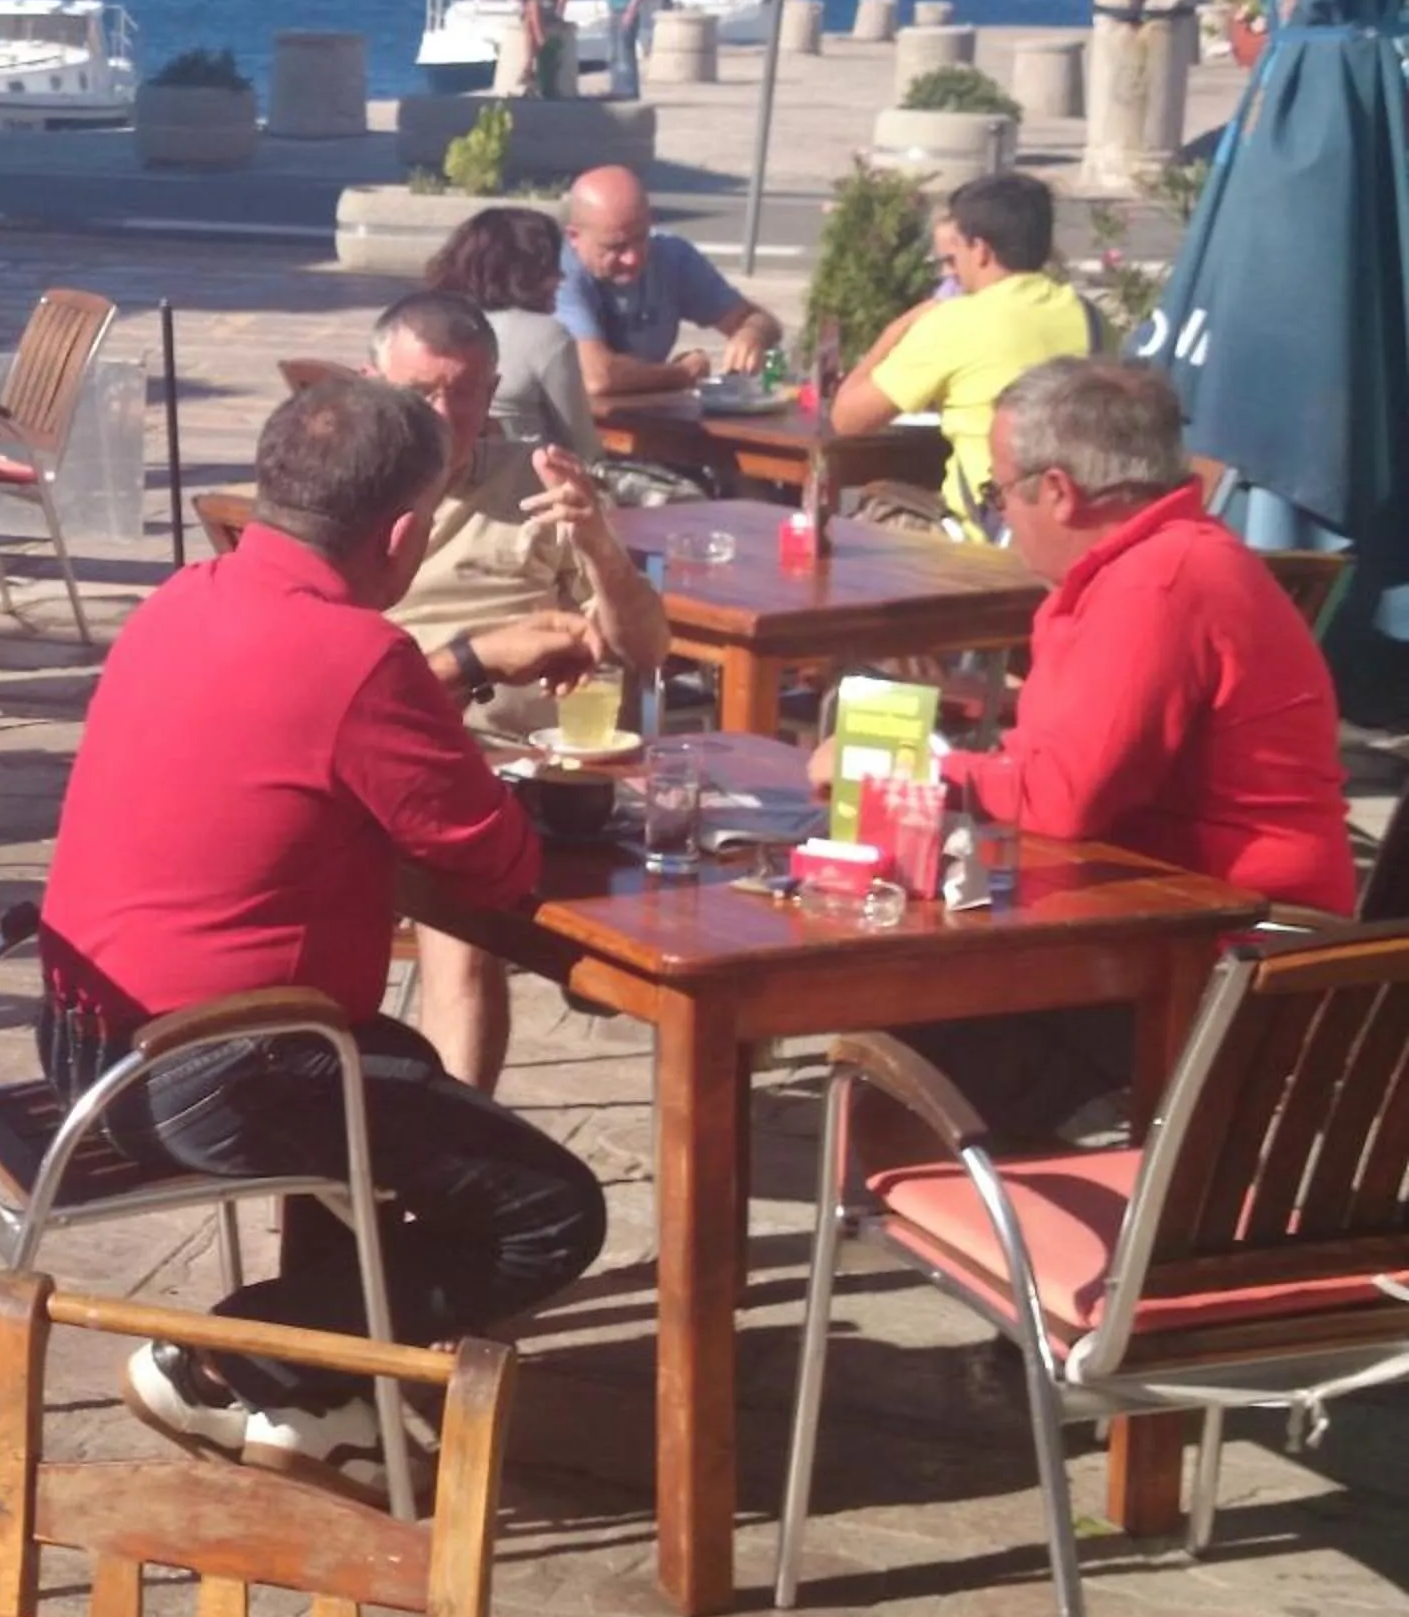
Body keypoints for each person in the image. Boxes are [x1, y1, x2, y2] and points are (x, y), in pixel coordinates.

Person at [39, 377, 606, 1496]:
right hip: (216, 1071)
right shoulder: (360, 657)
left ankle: (320, 1400)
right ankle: (226, 1357)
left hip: (85, 1037)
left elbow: (308, 725)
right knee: (551, 1214)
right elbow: (497, 863)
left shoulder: (181, 599)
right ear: (402, 536)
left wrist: (463, 667)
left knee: (398, 1074)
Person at [822, 358, 1353, 1141]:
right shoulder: (1168, 559)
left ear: (1059, 491)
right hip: (1180, 919)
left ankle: (1041, 1209)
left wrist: (915, 770)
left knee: (899, 1069)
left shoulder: (1157, 583)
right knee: (913, 1012)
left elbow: (1067, 798)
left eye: (998, 491)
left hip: (1228, 951)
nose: (1001, 514)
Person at [372, 292, 670, 1092]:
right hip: (401, 765)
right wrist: (472, 660)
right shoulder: (352, 490)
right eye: (419, 393)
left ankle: (457, 1124)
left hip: (540, 769)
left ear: (494, 391)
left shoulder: (537, 485)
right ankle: (457, 1134)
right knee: (463, 903)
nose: (443, 414)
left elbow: (647, 649)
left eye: (464, 392)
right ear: (373, 383)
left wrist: (598, 544)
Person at [829, 172, 1097, 536]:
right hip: (1074, 528)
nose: (950, 272)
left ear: (980, 250)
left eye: (953, 256)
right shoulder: (1092, 318)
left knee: (858, 527)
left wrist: (900, 327)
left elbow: (847, 420)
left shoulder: (954, 321)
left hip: (983, 536)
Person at [554, 165, 783, 397]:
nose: (632, 258)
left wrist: (752, 334)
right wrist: (683, 373)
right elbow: (597, 377)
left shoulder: (671, 256)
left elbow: (762, 321)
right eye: (616, 247)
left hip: (646, 411)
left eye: (640, 238)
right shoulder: (557, 275)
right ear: (574, 238)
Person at [424, 207, 602, 460]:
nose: (561, 277)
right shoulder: (546, 336)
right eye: (552, 267)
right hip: (522, 476)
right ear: (525, 273)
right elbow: (584, 449)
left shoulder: (425, 324)